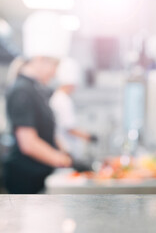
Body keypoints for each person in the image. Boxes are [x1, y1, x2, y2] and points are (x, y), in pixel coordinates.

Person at [3, 11, 73, 193]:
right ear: (40, 59)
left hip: (39, 176)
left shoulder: (37, 90)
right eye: (55, 65)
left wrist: (65, 154)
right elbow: (29, 143)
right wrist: (64, 161)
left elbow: (46, 131)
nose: (56, 73)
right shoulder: (22, 90)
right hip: (25, 180)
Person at [50, 58, 97, 157]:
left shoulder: (58, 97)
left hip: (65, 150)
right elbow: (70, 128)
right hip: (66, 151)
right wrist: (89, 137)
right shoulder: (63, 100)